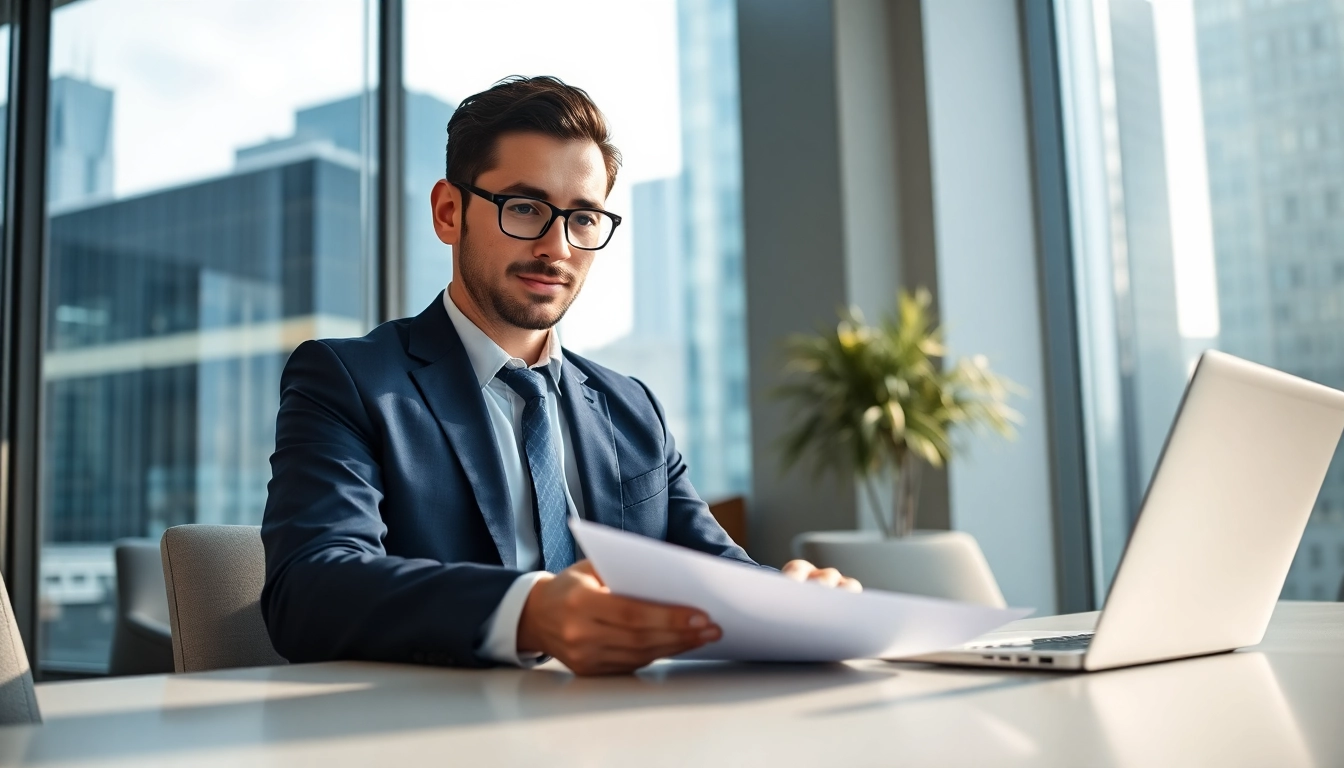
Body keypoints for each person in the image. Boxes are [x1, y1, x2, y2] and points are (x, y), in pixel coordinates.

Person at [261, 75, 859, 676]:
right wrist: (528, 612)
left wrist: (792, 598)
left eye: (583, 218)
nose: (558, 247)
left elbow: (714, 571)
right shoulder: (348, 379)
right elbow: (309, 587)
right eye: (525, 208)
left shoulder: (631, 407)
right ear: (449, 212)